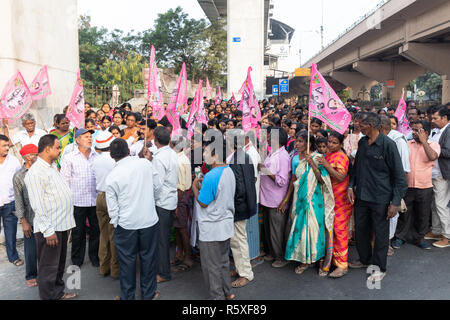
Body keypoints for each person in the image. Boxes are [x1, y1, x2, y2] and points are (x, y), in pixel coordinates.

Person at [347, 113, 408, 283]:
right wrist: (351, 186)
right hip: (362, 196)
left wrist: (395, 202)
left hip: (381, 198)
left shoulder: (388, 145)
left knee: (381, 234)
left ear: (371, 126)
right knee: (360, 230)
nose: (358, 126)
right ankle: (364, 259)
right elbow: (356, 168)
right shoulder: (363, 142)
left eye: (361, 124)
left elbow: (400, 178)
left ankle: (379, 268)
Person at [106, 138, 161, 300]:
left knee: (127, 262)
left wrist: (117, 222)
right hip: (148, 220)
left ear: (112, 155)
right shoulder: (145, 164)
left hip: (126, 224)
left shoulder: (112, 176)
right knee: (148, 259)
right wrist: (151, 203)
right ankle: (148, 294)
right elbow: (157, 186)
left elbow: (112, 207)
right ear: (128, 151)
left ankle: (128, 296)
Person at [25, 134, 77, 300]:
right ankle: (49, 296)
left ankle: (58, 293)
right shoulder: (35, 173)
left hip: (61, 224)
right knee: (48, 267)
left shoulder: (52, 166)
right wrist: (48, 230)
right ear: (47, 149)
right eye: (57, 147)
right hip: (50, 228)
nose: (60, 150)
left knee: (59, 264)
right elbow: (37, 205)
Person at [281, 131, 334, 276]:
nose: (296, 144)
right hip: (300, 198)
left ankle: (315, 258)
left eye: (300, 141)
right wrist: (286, 199)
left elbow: (323, 181)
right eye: (296, 141)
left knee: (312, 228)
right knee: (300, 228)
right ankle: (303, 257)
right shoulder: (295, 159)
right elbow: (293, 181)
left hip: (314, 200)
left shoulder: (317, 158)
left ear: (308, 143)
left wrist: (313, 164)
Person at [191, 140, 236, 300]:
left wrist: (195, 186)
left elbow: (203, 202)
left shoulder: (211, 176)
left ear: (215, 156)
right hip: (225, 224)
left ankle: (216, 296)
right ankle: (228, 292)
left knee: (211, 266)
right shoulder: (229, 170)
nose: (203, 155)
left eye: (205, 152)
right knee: (223, 261)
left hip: (211, 227)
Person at [392, 121, 440, 250]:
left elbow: (432, 157)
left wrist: (424, 142)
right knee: (404, 214)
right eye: (412, 130)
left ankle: (420, 238)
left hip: (425, 186)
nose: (413, 133)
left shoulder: (434, 145)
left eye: (417, 130)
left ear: (426, 133)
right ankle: (400, 237)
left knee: (423, 215)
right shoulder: (406, 144)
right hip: (407, 186)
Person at [60, 128, 100, 267]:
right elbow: (65, 181)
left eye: (90, 136)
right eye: (85, 136)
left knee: (96, 230)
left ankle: (95, 257)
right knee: (78, 232)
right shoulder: (69, 157)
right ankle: (77, 259)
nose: (89, 139)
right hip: (77, 201)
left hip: (95, 200)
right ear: (77, 140)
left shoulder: (97, 155)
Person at [318, 131, 353, 278]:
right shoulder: (327, 155)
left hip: (341, 201)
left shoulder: (342, 157)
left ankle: (342, 264)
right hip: (329, 199)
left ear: (340, 144)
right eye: (329, 142)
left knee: (339, 231)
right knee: (329, 230)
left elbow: (340, 177)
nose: (331, 145)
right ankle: (331, 259)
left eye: (334, 143)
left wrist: (326, 165)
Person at [227, 129, 257, 288]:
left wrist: (234, 206)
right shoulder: (241, 156)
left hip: (240, 206)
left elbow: (240, 187)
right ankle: (241, 268)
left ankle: (245, 273)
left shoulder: (238, 158)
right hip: (243, 204)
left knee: (239, 241)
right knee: (237, 240)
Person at [258, 127, 291, 267]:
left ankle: (280, 257)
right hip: (267, 198)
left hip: (276, 200)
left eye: (271, 136)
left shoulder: (283, 156)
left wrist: (264, 170)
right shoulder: (273, 152)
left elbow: (282, 181)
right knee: (269, 229)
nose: (269, 138)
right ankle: (272, 252)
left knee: (276, 230)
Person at [151, 126, 179, 283]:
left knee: (161, 239)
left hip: (162, 202)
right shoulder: (170, 153)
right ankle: (163, 268)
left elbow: (157, 185)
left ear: (155, 140)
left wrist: (151, 200)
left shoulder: (160, 158)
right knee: (163, 238)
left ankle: (163, 273)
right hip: (169, 200)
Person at [380, 115, 410, 255]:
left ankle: (388, 242)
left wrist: (398, 194)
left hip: (393, 184)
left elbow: (403, 169)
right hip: (379, 184)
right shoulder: (375, 139)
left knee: (391, 213)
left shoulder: (398, 140)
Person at [91, 131, 119, 278]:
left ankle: (104, 267)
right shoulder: (115, 159)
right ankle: (115, 269)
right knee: (114, 234)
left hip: (100, 197)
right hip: (112, 197)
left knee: (104, 234)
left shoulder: (95, 160)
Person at [13, 144, 39, 287]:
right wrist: (23, 221)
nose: (38, 157)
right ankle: (31, 274)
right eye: (36, 154)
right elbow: (18, 200)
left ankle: (47, 273)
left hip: (45, 216)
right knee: (31, 250)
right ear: (28, 157)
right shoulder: (19, 176)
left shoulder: (42, 170)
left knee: (47, 248)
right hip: (30, 217)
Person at [427, 106, 450, 248]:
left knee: (441, 205)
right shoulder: (437, 131)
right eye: (432, 118)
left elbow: (448, 152)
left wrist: (432, 149)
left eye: (436, 118)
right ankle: (436, 231)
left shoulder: (448, 131)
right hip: (434, 173)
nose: (433, 120)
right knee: (435, 205)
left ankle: (447, 236)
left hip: (442, 174)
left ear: (445, 118)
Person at [170, 136, 193, 272]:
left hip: (180, 196)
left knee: (182, 229)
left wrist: (177, 206)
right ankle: (180, 254)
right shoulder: (180, 158)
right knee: (178, 228)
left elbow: (180, 186)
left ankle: (188, 257)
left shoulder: (179, 161)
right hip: (179, 195)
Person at [0, 134, 23, 267]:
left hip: (10, 202)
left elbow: (19, 180)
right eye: (4, 145)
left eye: (8, 145)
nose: (7, 148)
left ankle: (13, 256)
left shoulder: (14, 161)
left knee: (11, 231)